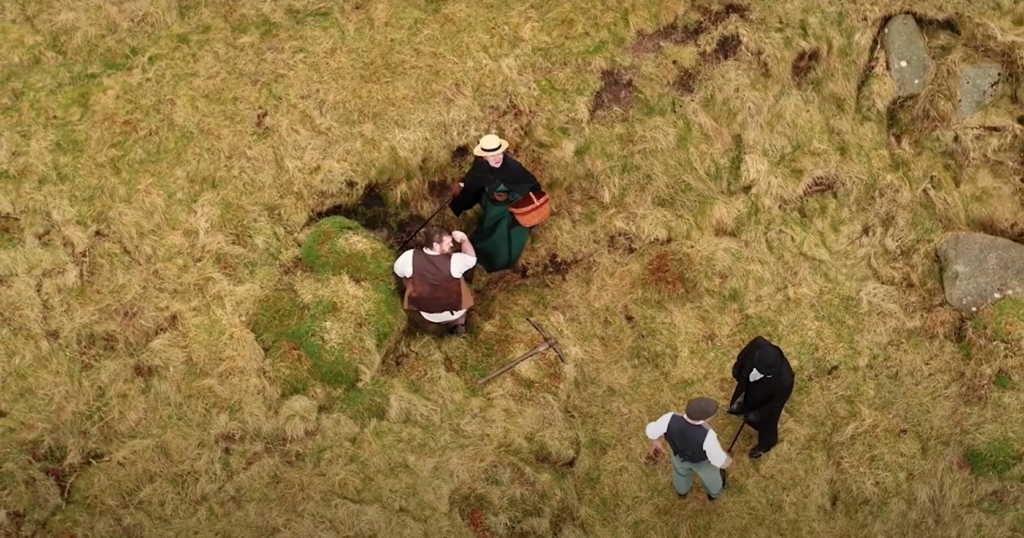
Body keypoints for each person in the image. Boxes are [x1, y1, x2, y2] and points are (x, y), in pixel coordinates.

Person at [449, 133, 543, 274]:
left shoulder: (512, 167)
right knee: (489, 232)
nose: (497, 158)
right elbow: (472, 185)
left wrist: (514, 196)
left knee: (507, 241)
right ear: (484, 157)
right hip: (493, 211)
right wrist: (459, 196)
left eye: (499, 153)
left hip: (513, 215)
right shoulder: (479, 168)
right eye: (492, 155)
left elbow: (532, 184)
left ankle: (501, 263)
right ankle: (479, 254)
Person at [393, 226, 477, 336]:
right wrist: (464, 239)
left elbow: (398, 272)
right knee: (458, 278)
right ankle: (458, 324)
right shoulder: (455, 261)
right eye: (448, 243)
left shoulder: (409, 256)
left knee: (407, 277)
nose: (451, 245)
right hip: (456, 311)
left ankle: (427, 321)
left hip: (427, 312)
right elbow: (472, 259)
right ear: (435, 245)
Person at [646, 397, 733, 501]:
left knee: (680, 474)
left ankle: (681, 492)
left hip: (678, 456)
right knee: (711, 477)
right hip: (702, 462)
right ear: (706, 418)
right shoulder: (708, 435)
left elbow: (652, 430)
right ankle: (714, 494)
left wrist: (655, 440)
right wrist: (726, 462)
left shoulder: (670, 418)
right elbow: (716, 457)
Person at [727, 336, 795, 459]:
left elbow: (776, 403)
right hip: (747, 387)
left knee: (766, 425)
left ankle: (766, 444)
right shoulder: (758, 344)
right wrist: (737, 369)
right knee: (741, 400)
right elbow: (743, 355)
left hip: (765, 402)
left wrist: (758, 414)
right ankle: (740, 408)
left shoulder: (786, 381)